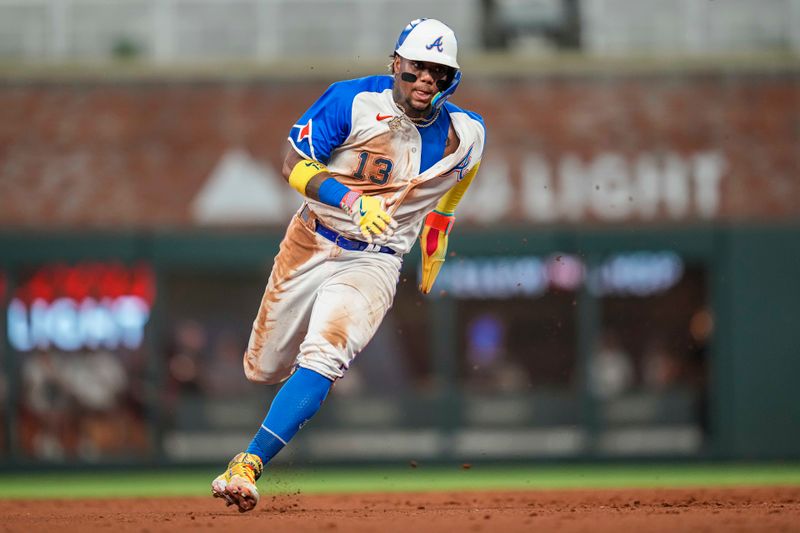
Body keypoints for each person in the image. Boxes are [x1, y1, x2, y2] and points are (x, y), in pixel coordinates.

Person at [211, 18, 487, 513]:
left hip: (375, 259)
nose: (427, 79)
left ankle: (248, 464)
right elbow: (293, 162)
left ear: (452, 79)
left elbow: (464, 174)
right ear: (396, 62)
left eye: (440, 72)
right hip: (312, 238)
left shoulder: (465, 134)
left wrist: (439, 225)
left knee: (326, 354)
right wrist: (353, 200)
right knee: (264, 367)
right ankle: (269, 414)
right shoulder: (353, 100)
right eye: (418, 66)